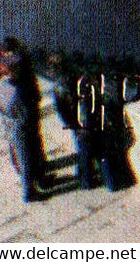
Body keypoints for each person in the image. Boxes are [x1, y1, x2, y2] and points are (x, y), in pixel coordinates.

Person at [45, 54, 99, 190]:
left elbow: (61, 109)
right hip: (83, 118)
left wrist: (70, 123)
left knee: (82, 148)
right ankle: (87, 179)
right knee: (86, 150)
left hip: (74, 121)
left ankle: (84, 176)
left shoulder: (57, 86)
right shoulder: (74, 78)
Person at [0, 57, 41, 202]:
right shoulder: (18, 90)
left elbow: (0, 109)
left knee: (20, 158)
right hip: (22, 127)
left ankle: (34, 185)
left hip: (9, 126)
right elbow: (26, 113)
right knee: (26, 160)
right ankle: (29, 193)